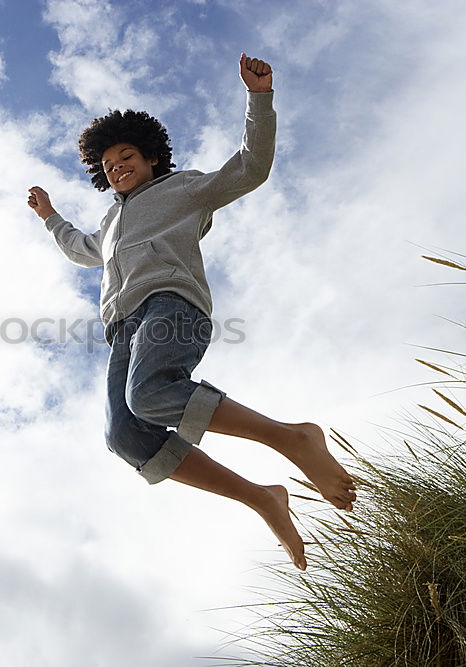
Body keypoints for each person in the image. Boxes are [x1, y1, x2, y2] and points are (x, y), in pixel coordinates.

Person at [26, 52, 355, 570]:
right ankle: (262, 498)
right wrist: (50, 217)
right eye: (109, 165)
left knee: (152, 394)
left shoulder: (184, 190)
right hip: (122, 328)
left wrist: (259, 99)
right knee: (125, 433)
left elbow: (251, 167)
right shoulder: (111, 222)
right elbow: (81, 249)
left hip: (171, 304)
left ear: (152, 156)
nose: (118, 167)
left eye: (127, 155)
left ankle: (292, 438)